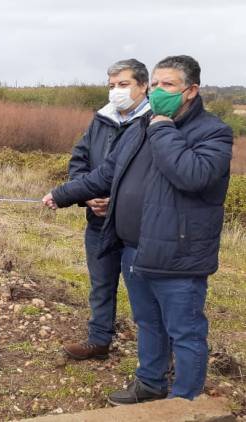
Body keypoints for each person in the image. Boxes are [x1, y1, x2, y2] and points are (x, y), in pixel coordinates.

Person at [43, 55, 232, 404]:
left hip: (178, 255)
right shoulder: (138, 129)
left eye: (168, 84)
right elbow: (106, 173)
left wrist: (161, 127)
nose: (159, 90)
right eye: (157, 83)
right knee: (147, 322)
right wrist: (63, 194)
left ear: (191, 91)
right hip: (134, 247)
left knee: (185, 332)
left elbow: (191, 175)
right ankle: (149, 382)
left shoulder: (213, 132)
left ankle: (184, 403)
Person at [63, 59, 151, 360]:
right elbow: (79, 162)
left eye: (123, 85)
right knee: (101, 284)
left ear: (143, 86)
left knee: (145, 295)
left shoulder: (156, 122)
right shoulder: (101, 120)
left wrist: (121, 200)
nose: (116, 91)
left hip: (137, 226)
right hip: (99, 221)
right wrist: (86, 196)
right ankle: (99, 340)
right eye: (112, 85)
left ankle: (154, 357)